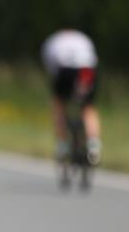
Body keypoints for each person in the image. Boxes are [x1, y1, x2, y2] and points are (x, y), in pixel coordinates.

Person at [41, 29, 101, 165]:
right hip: (86, 70)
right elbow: (93, 59)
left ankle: (62, 146)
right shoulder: (83, 38)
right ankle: (94, 145)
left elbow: (51, 67)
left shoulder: (53, 41)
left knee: (59, 104)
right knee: (88, 107)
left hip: (65, 70)